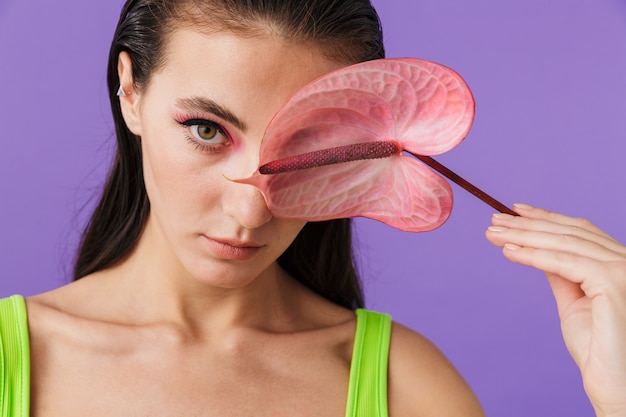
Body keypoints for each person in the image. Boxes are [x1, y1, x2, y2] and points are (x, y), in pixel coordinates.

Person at [0, 0, 624, 416]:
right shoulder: (17, 355)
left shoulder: (406, 385)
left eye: (305, 150)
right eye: (207, 130)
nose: (250, 210)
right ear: (130, 90)